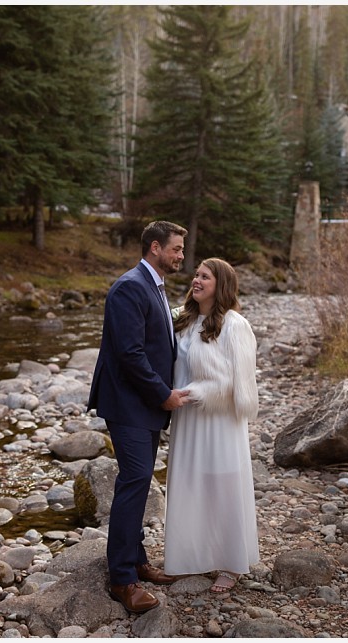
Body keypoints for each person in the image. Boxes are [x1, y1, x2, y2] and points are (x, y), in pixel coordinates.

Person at [87, 220, 191, 614]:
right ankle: (122, 580)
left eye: (182, 249)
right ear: (154, 247)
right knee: (133, 482)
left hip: (141, 405)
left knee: (140, 480)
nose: (181, 255)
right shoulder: (129, 287)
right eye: (176, 248)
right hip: (129, 404)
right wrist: (163, 393)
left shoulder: (154, 286)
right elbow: (130, 354)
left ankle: (137, 559)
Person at [163, 257, 260, 593]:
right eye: (196, 274)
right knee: (190, 484)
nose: (196, 280)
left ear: (221, 285)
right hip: (188, 418)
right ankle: (191, 555)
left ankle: (231, 563)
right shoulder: (182, 319)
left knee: (222, 486)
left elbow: (242, 388)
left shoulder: (235, 325)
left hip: (219, 422)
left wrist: (197, 392)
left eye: (205, 277)